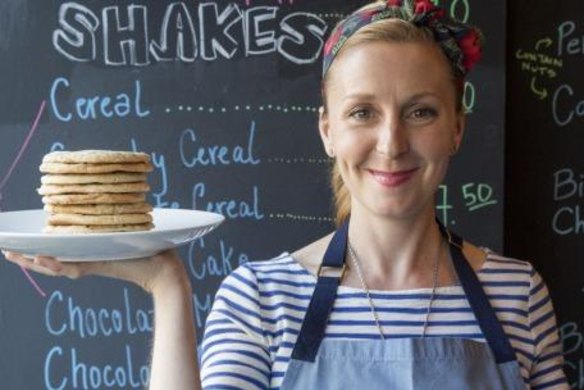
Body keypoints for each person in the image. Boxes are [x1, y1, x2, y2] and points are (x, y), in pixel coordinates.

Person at [3, 0, 568, 389]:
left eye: (420, 111)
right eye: (362, 112)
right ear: (328, 131)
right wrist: (165, 283)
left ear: (456, 129)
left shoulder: (516, 293)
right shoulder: (261, 299)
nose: (391, 143)